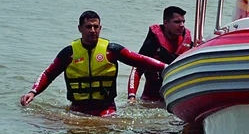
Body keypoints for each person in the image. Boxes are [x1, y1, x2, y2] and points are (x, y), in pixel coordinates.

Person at [20, 10, 166, 116]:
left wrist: (166, 67)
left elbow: (140, 60)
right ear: (80, 29)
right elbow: (48, 74)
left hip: (106, 109)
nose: (93, 30)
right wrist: (33, 92)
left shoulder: (111, 50)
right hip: (77, 110)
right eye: (88, 27)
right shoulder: (69, 53)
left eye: (96, 27)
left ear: (100, 28)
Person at [127, 5, 194, 103]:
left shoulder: (188, 44)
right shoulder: (152, 43)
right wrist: (131, 96)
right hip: (150, 99)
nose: (182, 25)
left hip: (175, 99)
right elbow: (137, 69)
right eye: (177, 22)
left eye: (183, 22)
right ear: (166, 23)